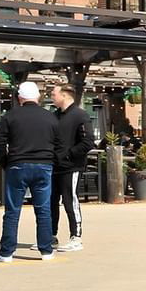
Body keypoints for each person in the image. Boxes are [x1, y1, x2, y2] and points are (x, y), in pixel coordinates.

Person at [0, 81, 58, 261]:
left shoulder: (10, 116)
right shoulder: (50, 117)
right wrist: (52, 162)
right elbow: (59, 145)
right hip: (44, 166)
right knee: (43, 209)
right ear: (37, 97)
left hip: (17, 165)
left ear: (19, 98)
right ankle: (46, 250)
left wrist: (6, 163)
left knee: (12, 210)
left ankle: (6, 252)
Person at [50, 84, 92, 253]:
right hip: (54, 166)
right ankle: (50, 236)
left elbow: (88, 141)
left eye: (54, 94)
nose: (51, 96)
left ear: (65, 95)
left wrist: (69, 154)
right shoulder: (54, 116)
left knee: (70, 200)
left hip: (71, 166)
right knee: (51, 201)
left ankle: (76, 236)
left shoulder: (80, 115)